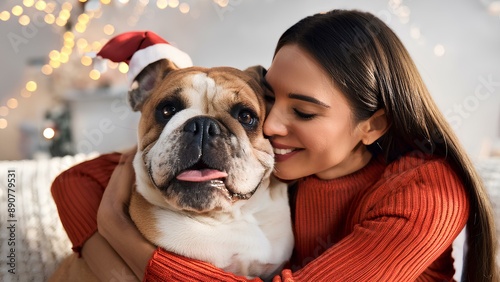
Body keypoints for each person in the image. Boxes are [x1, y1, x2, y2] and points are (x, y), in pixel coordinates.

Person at [51, 9, 498, 281]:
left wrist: (120, 238)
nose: (273, 126)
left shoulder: (425, 195)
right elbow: (73, 181)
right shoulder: (282, 168)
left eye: (302, 112)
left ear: (372, 125)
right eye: (266, 104)